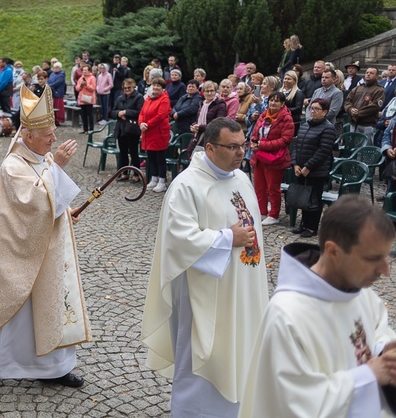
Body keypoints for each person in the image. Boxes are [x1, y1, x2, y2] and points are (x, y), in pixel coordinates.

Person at [0, 84, 90, 388]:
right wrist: (57, 166)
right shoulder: (13, 165)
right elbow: (29, 204)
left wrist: (65, 211)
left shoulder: (41, 157)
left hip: (47, 248)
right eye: (48, 135)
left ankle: (55, 368)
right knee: (13, 304)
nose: (54, 139)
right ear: (28, 136)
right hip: (18, 250)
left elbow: (48, 197)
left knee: (51, 303)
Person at [141, 117, 269, 417]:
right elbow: (179, 239)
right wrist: (228, 238)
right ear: (210, 148)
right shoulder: (187, 186)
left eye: (243, 145)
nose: (241, 153)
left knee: (243, 345)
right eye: (233, 147)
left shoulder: (241, 179)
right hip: (205, 290)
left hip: (243, 286)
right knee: (204, 352)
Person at [239, 196, 396, 418]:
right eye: (373, 258)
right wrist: (369, 376)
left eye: (386, 257)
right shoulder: (287, 316)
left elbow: (378, 327)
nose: (386, 270)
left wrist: (383, 350)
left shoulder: (361, 292)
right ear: (333, 251)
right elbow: (293, 403)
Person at [289, 98, 336, 237]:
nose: (313, 111)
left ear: (325, 112)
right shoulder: (305, 125)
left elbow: (323, 150)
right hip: (301, 168)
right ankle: (303, 224)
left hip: (316, 170)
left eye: (317, 109)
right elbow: (297, 145)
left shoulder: (328, 128)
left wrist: (308, 166)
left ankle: (312, 227)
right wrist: (295, 163)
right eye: (312, 108)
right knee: (304, 198)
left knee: (314, 199)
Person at [250, 91, 294, 226]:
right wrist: (253, 142)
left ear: (282, 104)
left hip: (274, 158)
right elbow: (255, 132)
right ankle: (262, 211)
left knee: (273, 188)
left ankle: (274, 214)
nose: (273, 103)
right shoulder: (263, 115)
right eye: (271, 100)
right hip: (259, 156)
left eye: (276, 101)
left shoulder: (286, 118)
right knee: (259, 186)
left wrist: (262, 145)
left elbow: (285, 139)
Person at [139, 78, 172, 193]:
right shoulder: (149, 98)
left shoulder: (164, 99)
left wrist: (147, 124)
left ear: (162, 88)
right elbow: (142, 112)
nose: (156, 87)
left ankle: (162, 181)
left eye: (158, 86)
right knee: (151, 157)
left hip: (158, 132)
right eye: (154, 85)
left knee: (160, 158)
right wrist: (141, 123)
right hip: (148, 132)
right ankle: (154, 179)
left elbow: (161, 115)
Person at [110, 78, 144, 180]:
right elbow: (112, 112)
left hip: (132, 129)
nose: (127, 89)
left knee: (134, 153)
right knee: (123, 153)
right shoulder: (120, 98)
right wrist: (119, 114)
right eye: (125, 88)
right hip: (121, 129)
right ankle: (124, 173)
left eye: (129, 87)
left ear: (133, 87)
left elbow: (140, 112)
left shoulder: (139, 98)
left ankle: (136, 174)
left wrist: (125, 112)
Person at [344, 67, 386, 144]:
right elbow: (348, 101)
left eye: (371, 73)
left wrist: (357, 113)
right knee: (352, 147)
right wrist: (350, 109)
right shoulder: (357, 88)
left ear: (377, 76)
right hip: (353, 124)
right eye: (367, 72)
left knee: (364, 150)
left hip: (367, 125)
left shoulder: (379, 90)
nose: (368, 74)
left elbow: (375, 106)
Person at [187, 80, 227, 156]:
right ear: (203, 92)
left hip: (211, 137)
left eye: (212, 91)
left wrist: (200, 127)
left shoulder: (220, 105)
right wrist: (194, 126)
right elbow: (198, 120)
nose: (209, 93)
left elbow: (218, 124)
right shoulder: (202, 103)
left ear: (216, 92)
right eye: (207, 91)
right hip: (197, 136)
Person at [280, 70, 305, 134]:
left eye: (289, 79)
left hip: (292, 121)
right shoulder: (279, 91)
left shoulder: (298, 93)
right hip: (280, 120)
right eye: (285, 79)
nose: (286, 80)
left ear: (294, 81)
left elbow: (298, 108)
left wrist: (284, 110)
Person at [75, 64, 97, 134]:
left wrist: (86, 85)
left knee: (89, 114)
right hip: (82, 98)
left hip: (89, 98)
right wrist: (81, 85)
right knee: (83, 114)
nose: (84, 71)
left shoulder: (92, 78)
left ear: (89, 71)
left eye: (85, 70)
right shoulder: (81, 78)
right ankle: (85, 129)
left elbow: (93, 88)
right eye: (83, 70)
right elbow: (77, 88)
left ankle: (91, 129)